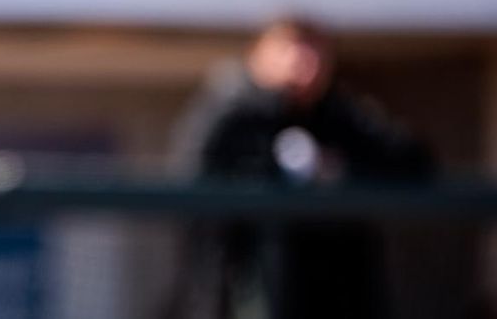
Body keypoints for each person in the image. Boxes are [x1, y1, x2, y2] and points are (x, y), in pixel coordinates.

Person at [166, 18, 434, 319]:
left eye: (315, 51)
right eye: (290, 49)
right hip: (251, 283)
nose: (305, 64)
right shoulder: (232, 109)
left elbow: (413, 159)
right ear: (258, 55)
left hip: (336, 291)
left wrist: (339, 168)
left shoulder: (339, 114)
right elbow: (192, 177)